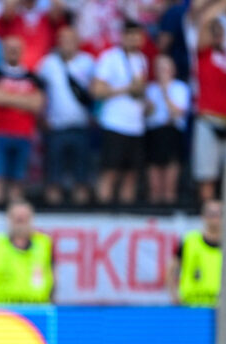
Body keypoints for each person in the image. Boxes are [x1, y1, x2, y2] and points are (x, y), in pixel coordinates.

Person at [91, 20, 148, 205]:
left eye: (137, 35)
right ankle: (103, 211)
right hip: (114, 123)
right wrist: (127, 89)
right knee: (110, 171)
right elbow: (97, 90)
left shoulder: (142, 59)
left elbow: (139, 90)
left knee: (131, 174)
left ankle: (126, 212)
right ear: (123, 37)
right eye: (130, 35)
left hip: (136, 125)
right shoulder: (110, 58)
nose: (134, 39)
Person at [0, 35, 45, 204]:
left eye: (16, 48)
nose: (13, 51)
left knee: (18, 182)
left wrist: (7, 97)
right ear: (3, 50)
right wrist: (24, 100)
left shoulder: (33, 77)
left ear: (23, 51)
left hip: (24, 135)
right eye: (9, 48)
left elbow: (37, 104)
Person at [37, 25, 95, 205]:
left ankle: (81, 217)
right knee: (53, 179)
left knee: (82, 180)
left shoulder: (88, 62)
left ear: (78, 41)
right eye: (63, 39)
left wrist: (96, 114)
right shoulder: (48, 64)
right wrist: (41, 117)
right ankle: (53, 215)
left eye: (71, 39)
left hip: (81, 127)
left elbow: (96, 91)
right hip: (56, 128)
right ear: (58, 42)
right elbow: (38, 91)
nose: (67, 43)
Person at [0, 200, 54, 303]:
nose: (20, 222)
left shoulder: (44, 244)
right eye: (17, 218)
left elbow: (53, 278)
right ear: (9, 219)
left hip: (37, 309)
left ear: (31, 219)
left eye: (24, 218)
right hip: (2, 309)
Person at [191, 0, 226, 202]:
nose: (217, 34)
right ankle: (209, 215)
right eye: (214, 31)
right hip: (209, 119)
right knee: (207, 177)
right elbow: (205, 19)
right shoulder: (203, 53)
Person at [144, 54, 189, 204]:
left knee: (170, 184)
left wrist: (165, 92)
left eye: (165, 68)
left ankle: (170, 209)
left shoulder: (180, 88)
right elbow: (146, 114)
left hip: (172, 133)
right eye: (159, 68)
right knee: (154, 184)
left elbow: (177, 113)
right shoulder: (150, 88)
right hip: (154, 134)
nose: (161, 71)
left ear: (172, 70)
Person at [168, 200, 222, 306]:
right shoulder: (190, 241)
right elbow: (171, 270)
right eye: (211, 214)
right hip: (192, 306)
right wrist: (174, 296)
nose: (215, 218)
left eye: (219, 214)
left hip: (222, 307)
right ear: (203, 216)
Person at [0, 0, 69, 71]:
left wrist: (57, 6)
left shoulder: (48, 20)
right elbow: (0, 28)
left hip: (42, 69)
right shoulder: (11, 18)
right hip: (15, 68)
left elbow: (62, 31)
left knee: (53, 62)